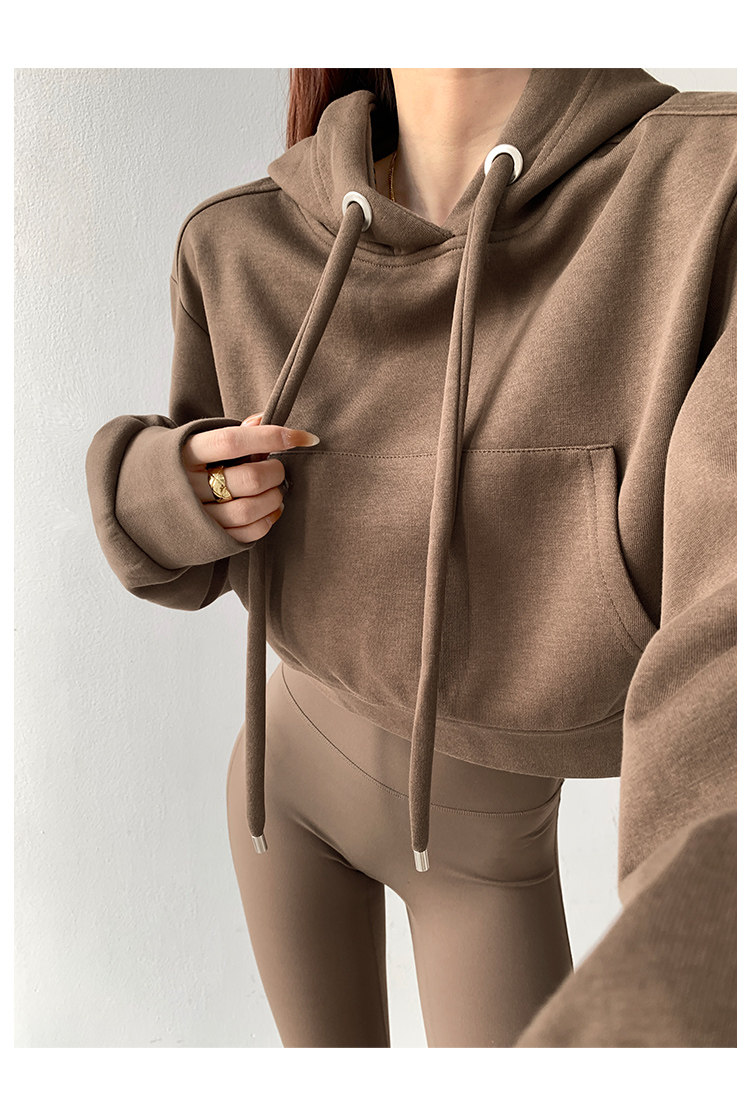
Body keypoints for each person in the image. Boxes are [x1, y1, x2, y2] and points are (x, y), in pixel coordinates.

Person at [85, 68, 736, 1048]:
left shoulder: (706, 187)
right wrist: (178, 485)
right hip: (279, 791)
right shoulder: (238, 239)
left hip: (481, 855)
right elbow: (175, 519)